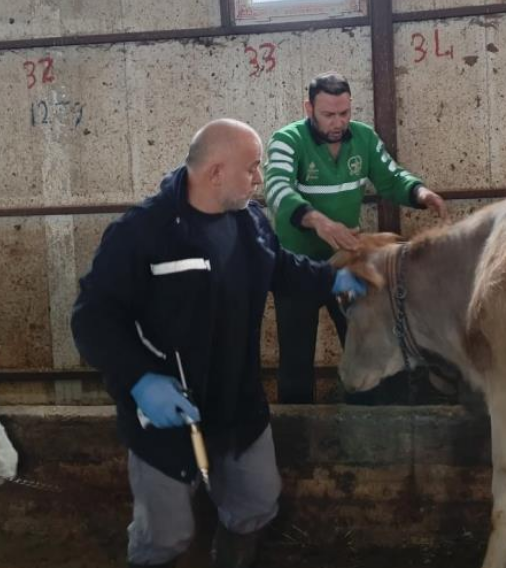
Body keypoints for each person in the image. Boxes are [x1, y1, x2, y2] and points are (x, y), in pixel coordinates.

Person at [70, 118, 366, 568]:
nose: (259, 179)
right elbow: (92, 318)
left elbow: (281, 268)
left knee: (257, 505)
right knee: (165, 537)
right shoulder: (143, 232)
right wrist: (138, 380)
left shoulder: (249, 223)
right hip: (169, 417)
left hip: (239, 405)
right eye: (251, 169)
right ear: (215, 174)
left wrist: (334, 280)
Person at [264, 71, 447, 404]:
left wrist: (419, 192)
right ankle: (298, 434)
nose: (338, 122)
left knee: (363, 342)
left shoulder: (362, 138)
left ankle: (365, 422)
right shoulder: (286, 140)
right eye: (329, 115)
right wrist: (318, 221)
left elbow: (391, 176)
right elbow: (277, 189)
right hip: (296, 268)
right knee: (295, 356)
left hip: (345, 266)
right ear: (309, 108)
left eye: (345, 113)